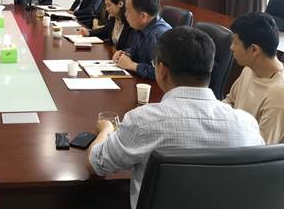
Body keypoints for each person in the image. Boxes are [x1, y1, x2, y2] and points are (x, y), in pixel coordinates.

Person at [87, 27, 265, 209]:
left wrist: (105, 130)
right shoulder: (247, 124)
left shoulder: (143, 121)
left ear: (162, 70)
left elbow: (95, 165)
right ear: (210, 68)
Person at [223, 12, 284, 144]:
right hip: (234, 139)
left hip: (247, 152)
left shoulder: (278, 94)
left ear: (254, 50)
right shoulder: (249, 69)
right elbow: (230, 101)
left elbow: (262, 146)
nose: (231, 47)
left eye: (235, 43)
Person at [113, 0, 171, 80]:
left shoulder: (160, 35)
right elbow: (134, 49)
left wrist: (132, 65)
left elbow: (162, 73)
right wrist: (126, 54)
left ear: (143, 16)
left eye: (128, 10)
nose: (125, 14)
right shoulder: (141, 26)